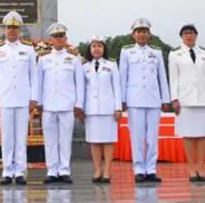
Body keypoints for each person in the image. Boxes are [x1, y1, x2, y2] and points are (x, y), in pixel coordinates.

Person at [0, 11, 39, 185]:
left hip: (23, 99)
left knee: (20, 137)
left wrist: (33, 98)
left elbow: (34, 76)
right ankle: (7, 170)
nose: (12, 31)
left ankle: (19, 171)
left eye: (15, 28)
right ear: (4, 29)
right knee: (7, 137)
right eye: (9, 27)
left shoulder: (28, 50)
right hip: (5, 99)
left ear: (20, 30)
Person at [119, 17, 170, 183]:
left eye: (144, 31)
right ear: (133, 35)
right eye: (138, 31)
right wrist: (122, 99)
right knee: (137, 137)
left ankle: (151, 169)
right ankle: (139, 169)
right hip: (134, 99)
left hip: (153, 99)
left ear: (149, 34)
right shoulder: (126, 52)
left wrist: (165, 99)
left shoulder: (156, 52)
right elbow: (123, 77)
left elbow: (162, 76)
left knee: (152, 137)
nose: (141, 34)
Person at [168, 23, 205, 182]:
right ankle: (191, 168)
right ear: (181, 37)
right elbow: (173, 79)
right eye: (185, 33)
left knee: (202, 136)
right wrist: (174, 98)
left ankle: (201, 168)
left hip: (203, 99)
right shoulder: (175, 54)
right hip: (185, 100)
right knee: (188, 136)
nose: (189, 36)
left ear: (196, 35)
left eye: (191, 33)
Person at [37, 23, 84, 184]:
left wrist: (78, 103)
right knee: (50, 140)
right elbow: (39, 83)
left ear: (65, 39)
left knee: (65, 139)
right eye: (55, 37)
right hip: (48, 105)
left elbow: (80, 84)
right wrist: (39, 103)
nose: (58, 40)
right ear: (50, 40)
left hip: (67, 105)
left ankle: (64, 170)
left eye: (61, 37)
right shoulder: (43, 60)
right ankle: (52, 170)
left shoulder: (74, 59)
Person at [83, 36, 121, 183]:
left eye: (99, 46)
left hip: (108, 108)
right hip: (91, 109)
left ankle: (107, 171)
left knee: (108, 141)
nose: (96, 49)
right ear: (90, 49)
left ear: (104, 49)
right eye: (94, 46)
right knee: (94, 141)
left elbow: (117, 87)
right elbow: (82, 89)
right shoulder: (84, 67)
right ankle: (97, 170)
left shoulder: (111, 65)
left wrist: (118, 107)